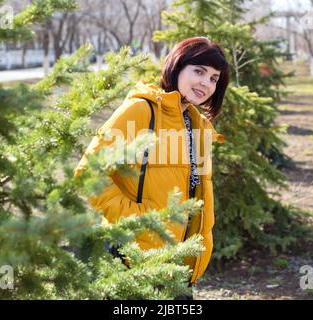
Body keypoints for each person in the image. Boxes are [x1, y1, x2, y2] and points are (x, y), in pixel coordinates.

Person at [74, 37, 229, 298]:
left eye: (214, 78)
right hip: (131, 257)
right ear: (177, 67)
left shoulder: (198, 125)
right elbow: (88, 173)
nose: (206, 83)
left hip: (178, 260)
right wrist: (138, 219)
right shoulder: (141, 110)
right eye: (199, 71)